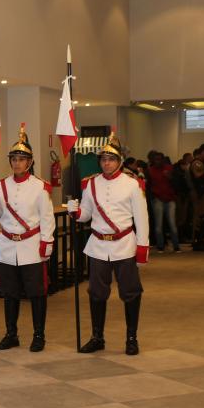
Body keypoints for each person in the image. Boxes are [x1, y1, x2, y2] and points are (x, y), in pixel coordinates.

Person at [67, 131, 149, 356]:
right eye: (103, 159)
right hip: (98, 245)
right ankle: (97, 337)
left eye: (111, 159)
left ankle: (131, 338)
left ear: (119, 161)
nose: (106, 163)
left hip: (124, 244)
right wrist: (75, 212)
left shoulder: (133, 184)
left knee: (131, 292)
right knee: (96, 293)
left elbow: (141, 218)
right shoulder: (90, 184)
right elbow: (86, 215)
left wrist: (142, 247)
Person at [0, 124, 55, 352]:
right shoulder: (1, 186)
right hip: (7, 246)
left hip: (31, 245)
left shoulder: (40, 187)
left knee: (36, 293)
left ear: (30, 162)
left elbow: (47, 217)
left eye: (22, 159)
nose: (17, 163)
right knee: (9, 293)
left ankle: (39, 334)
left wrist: (47, 241)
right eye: (14, 159)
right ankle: (11, 333)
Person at [147, 152, 181, 253]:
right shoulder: (150, 170)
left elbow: (177, 183)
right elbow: (148, 185)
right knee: (158, 225)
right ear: (153, 160)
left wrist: (170, 177)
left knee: (172, 224)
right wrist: (152, 197)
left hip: (170, 199)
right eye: (156, 159)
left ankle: (176, 246)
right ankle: (160, 246)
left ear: (163, 159)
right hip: (157, 198)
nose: (158, 161)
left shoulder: (170, 168)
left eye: (160, 159)